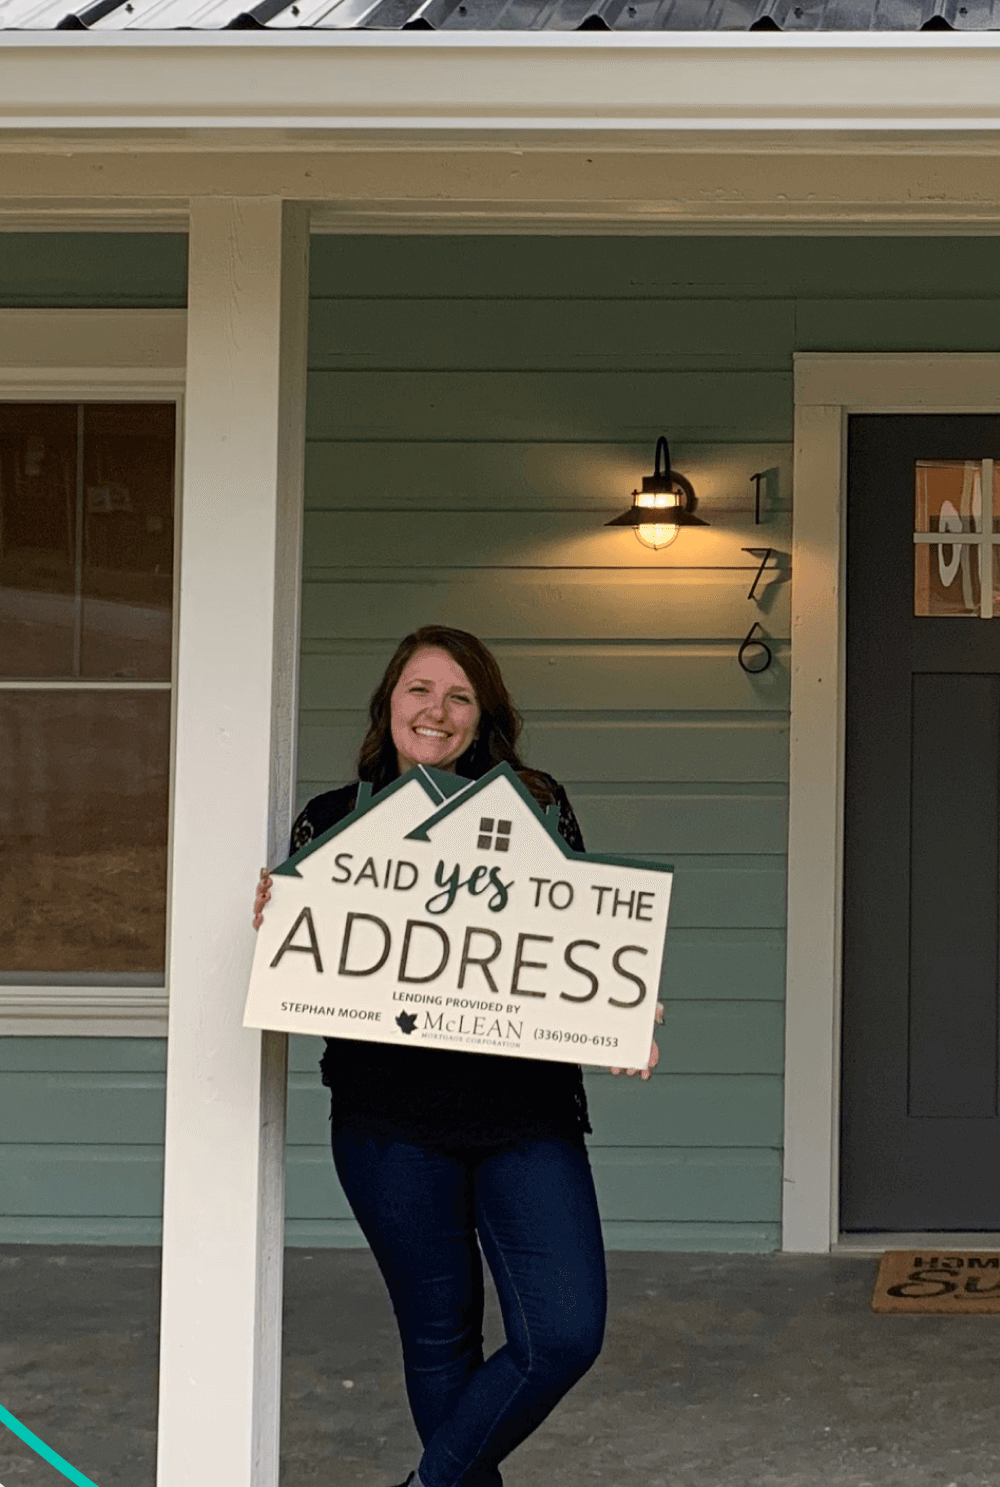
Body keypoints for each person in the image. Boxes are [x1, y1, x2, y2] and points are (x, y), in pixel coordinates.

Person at [255, 625, 653, 1487]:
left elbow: (579, 942)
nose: (437, 711)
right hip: (390, 1119)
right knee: (440, 1339)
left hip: (526, 1113)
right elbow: (303, 960)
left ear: (483, 716)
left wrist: (627, 1012)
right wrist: (274, 918)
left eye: (459, 696)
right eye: (419, 691)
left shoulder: (537, 804)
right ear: (389, 706)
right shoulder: (331, 820)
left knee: (564, 1332)